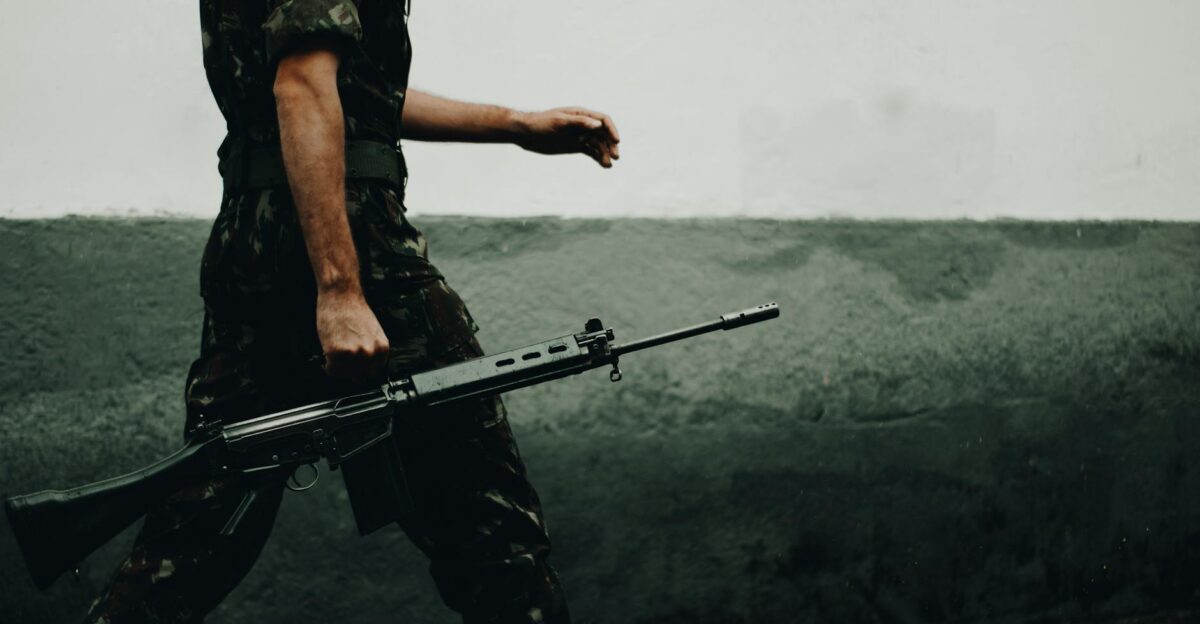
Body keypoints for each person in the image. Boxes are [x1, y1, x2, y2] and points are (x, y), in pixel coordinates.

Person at [82, 0, 619, 622]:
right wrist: (339, 289)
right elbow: (304, 85)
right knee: (495, 545)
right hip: (357, 252)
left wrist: (515, 124)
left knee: (190, 543)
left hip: (255, 255)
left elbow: (348, 87)